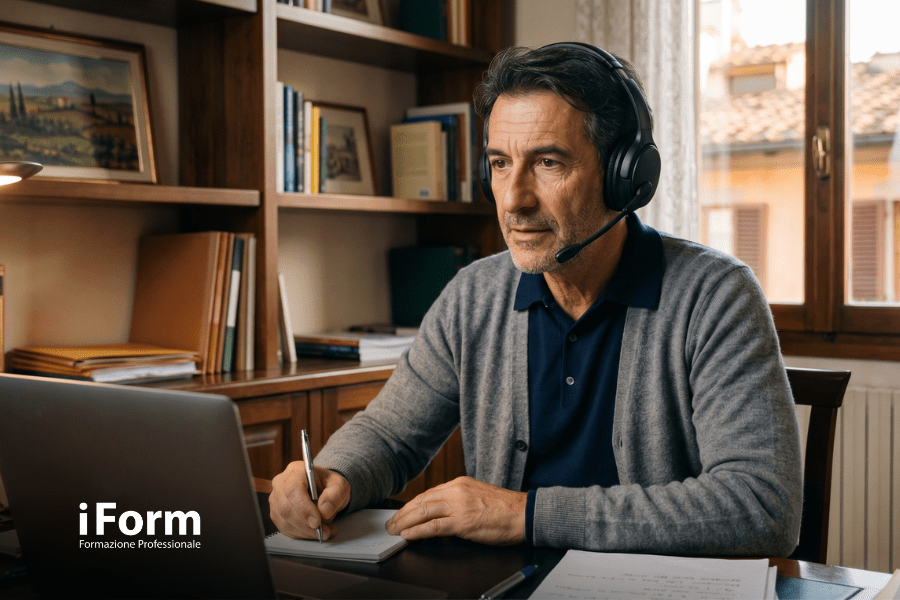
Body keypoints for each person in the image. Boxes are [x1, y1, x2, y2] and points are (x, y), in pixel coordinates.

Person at [269, 43, 802, 556]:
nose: (515, 201)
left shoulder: (716, 297)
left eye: (548, 163)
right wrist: (331, 475)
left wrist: (524, 515)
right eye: (500, 164)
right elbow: (389, 434)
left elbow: (761, 506)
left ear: (626, 177)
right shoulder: (473, 296)